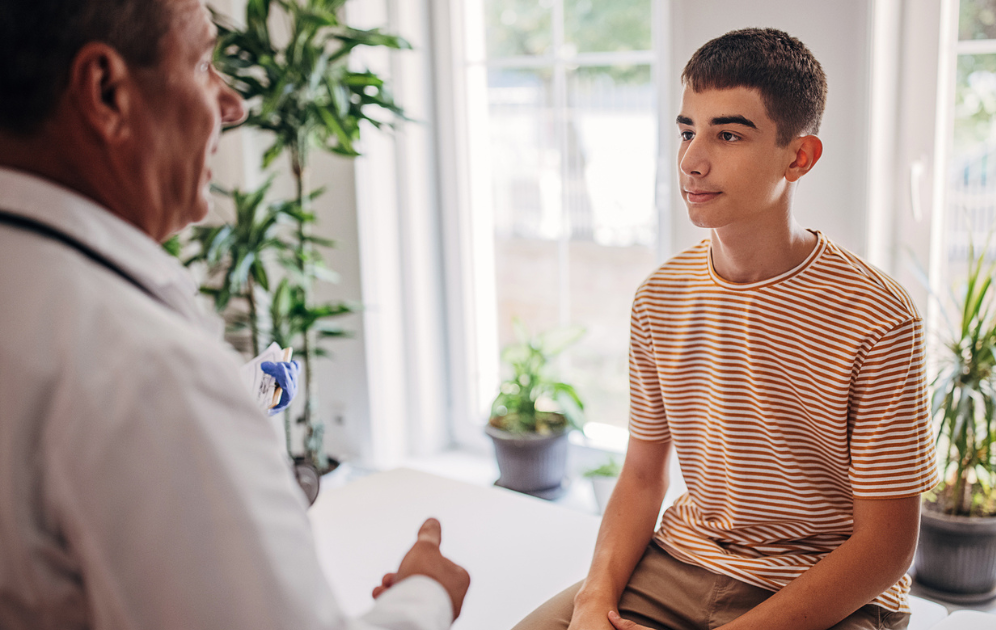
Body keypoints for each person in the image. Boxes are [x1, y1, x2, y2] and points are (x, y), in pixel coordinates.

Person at [0, 0, 469, 628]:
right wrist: (425, 594)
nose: (234, 104)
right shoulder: (144, 368)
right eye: (202, 64)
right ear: (107, 92)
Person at [513, 28, 937, 630]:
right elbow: (640, 475)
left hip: (824, 589)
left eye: (728, 134)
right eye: (687, 130)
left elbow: (886, 547)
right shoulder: (659, 297)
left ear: (799, 157)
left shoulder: (879, 317)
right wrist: (592, 601)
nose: (691, 159)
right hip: (683, 560)